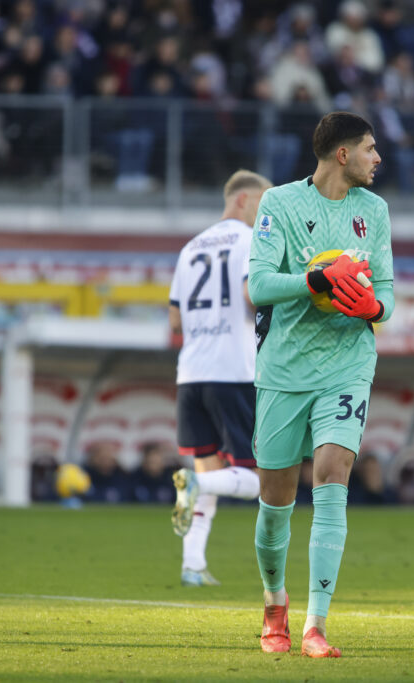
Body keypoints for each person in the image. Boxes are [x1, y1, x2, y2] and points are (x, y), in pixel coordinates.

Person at [248, 111, 394, 658]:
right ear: (342, 154)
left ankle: (316, 624)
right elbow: (259, 285)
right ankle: (273, 603)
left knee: (333, 474)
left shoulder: (374, 211)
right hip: (284, 370)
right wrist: (316, 278)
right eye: (370, 149)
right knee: (275, 503)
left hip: (348, 363)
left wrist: (374, 305)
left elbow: (388, 292)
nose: (378, 158)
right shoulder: (280, 204)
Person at [168, 169, 272, 587]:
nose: (267, 218)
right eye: (263, 207)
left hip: (191, 374)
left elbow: (175, 318)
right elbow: (251, 297)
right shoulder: (250, 240)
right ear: (244, 200)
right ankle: (195, 482)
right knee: (261, 478)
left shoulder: (191, 247)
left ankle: (192, 565)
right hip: (234, 370)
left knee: (209, 469)